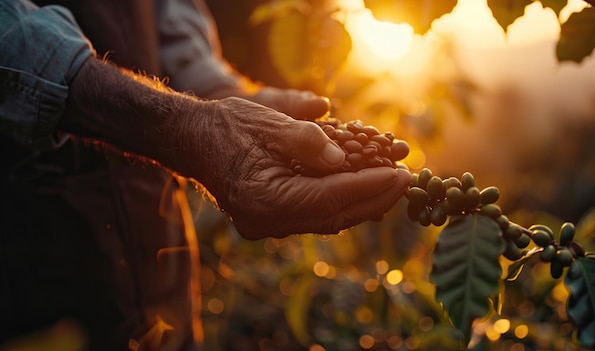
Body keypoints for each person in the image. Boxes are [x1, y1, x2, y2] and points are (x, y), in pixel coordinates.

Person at [0, 0, 411, 349]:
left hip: (148, 227)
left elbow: (165, 11)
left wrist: (216, 91)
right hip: (31, 254)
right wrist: (180, 124)